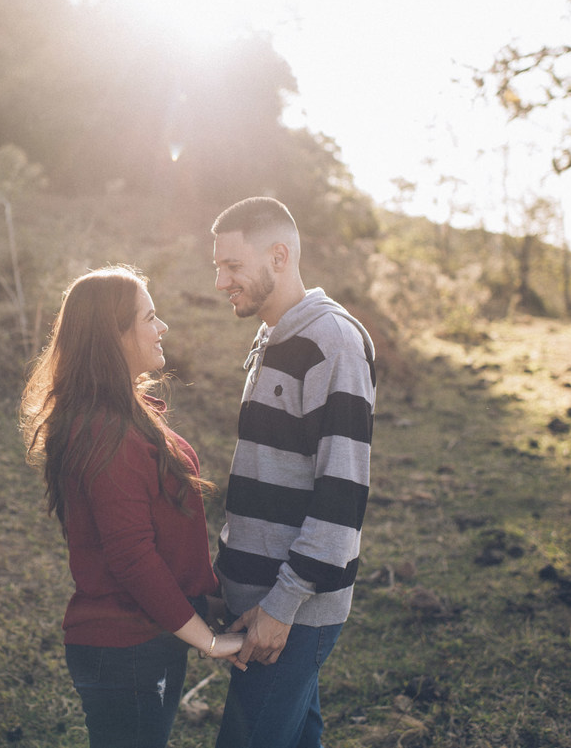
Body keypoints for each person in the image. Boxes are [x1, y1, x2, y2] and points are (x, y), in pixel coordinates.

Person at [20, 264, 246, 748]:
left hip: (145, 639)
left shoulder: (122, 419)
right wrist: (208, 641)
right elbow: (131, 557)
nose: (162, 327)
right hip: (125, 648)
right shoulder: (106, 433)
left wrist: (207, 604)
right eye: (150, 317)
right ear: (114, 336)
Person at [210, 198, 377, 748]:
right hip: (258, 595)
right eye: (218, 267)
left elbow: (342, 496)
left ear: (278, 256)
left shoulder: (334, 343)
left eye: (232, 266)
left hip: (290, 609)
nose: (220, 281)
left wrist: (281, 606)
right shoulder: (273, 336)